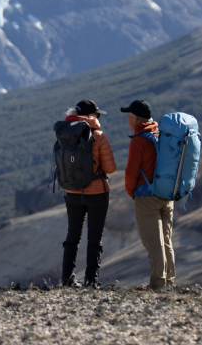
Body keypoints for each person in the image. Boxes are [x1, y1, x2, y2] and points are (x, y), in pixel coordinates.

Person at [57, 99, 116, 289]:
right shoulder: (98, 136)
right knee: (94, 238)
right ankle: (91, 280)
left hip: (72, 191)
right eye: (96, 115)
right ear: (91, 117)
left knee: (72, 236)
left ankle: (67, 278)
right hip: (97, 193)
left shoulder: (66, 134)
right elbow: (110, 168)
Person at [121, 99, 175, 291]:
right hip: (167, 196)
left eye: (128, 116)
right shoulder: (162, 135)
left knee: (153, 242)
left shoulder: (139, 141)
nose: (127, 119)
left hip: (147, 198)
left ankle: (158, 285)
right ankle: (169, 282)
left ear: (135, 118)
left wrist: (131, 192)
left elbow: (131, 173)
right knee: (166, 241)